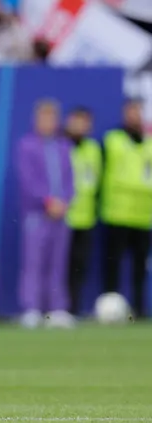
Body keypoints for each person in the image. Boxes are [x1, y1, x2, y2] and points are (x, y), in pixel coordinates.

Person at [16, 100, 75, 329]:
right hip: (36, 215)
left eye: (52, 118)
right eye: (44, 118)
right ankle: (32, 309)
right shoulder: (27, 145)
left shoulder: (63, 146)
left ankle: (57, 309)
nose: (48, 123)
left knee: (58, 262)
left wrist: (65, 201)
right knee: (34, 262)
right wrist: (47, 201)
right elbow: (28, 180)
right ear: (36, 120)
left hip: (61, 215)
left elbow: (70, 179)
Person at [100, 98, 152, 318]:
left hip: (142, 215)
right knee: (113, 264)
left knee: (140, 267)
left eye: (137, 111)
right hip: (117, 213)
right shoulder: (112, 140)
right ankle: (109, 308)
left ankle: (139, 309)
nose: (134, 116)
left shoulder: (149, 142)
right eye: (131, 111)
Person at [65, 107, 101, 316]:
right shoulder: (61, 146)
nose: (81, 126)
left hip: (85, 217)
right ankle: (59, 308)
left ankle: (74, 309)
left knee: (79, 266)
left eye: (85, 122)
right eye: (77, 121)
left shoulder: (94, 149)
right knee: (62, 267)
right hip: (63, 217)